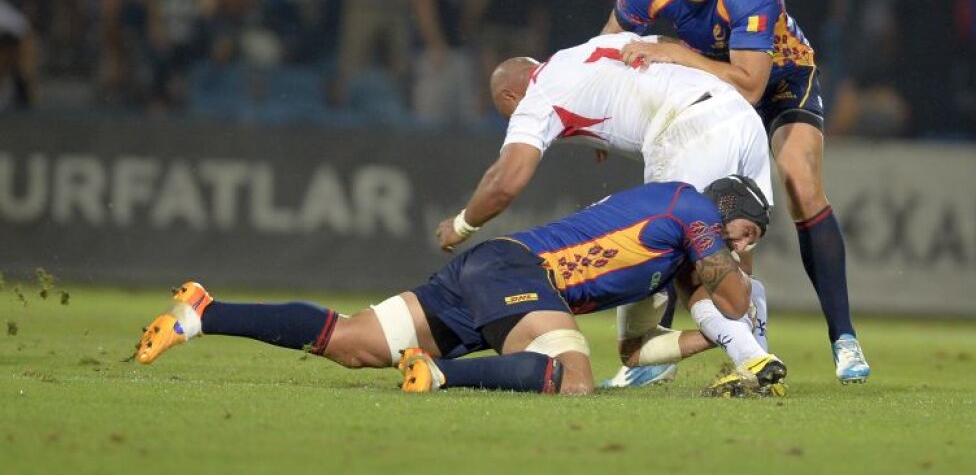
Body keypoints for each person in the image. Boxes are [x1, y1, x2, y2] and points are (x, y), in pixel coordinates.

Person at [133, 177, 770, 397]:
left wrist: (711, 342)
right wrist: (740, 316)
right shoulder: (692, 207)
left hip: (493, 272)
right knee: (571, 376)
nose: (743, 246)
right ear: (727, 208)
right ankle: (438, 376)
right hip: (518, 274)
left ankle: (202, 314)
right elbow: (737, 299)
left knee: (353, 342)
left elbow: (634, 355)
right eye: (747, 231)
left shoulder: (668, 260)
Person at [601, 0, 871, 384]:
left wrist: (674, 53)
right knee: (686, 201)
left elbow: (750, 85)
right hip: (713, 88)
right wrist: (600, 120)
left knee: (800, 183)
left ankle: (844, 339)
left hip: (781, 80)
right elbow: (605, 48)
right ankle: (679, 347)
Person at [434, 31, 783, 395]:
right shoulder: (581, 52)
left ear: (509, 96)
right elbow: (661, 42)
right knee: (733, 253)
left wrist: (462, 224)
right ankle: (758, 360)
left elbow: (507, 178)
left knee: (689, 262)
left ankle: (751, 359)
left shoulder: (537, 97)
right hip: (738, 113)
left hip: (689, 127)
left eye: (510, 113)